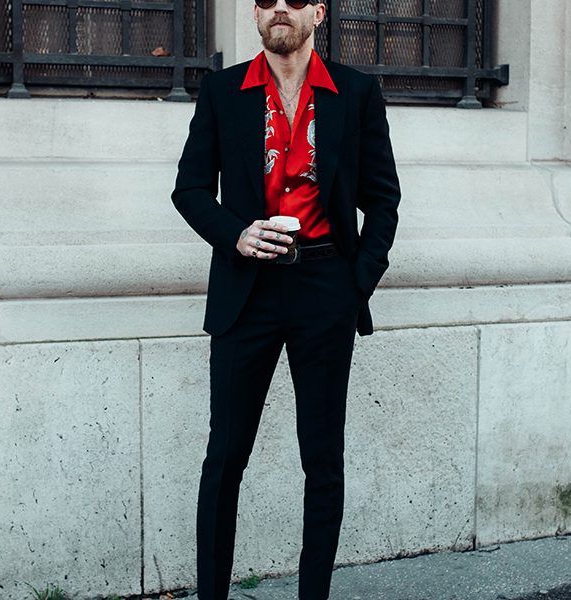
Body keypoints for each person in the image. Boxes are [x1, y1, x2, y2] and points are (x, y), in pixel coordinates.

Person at [170, 0, 400, 597]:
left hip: (326, 288)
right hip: (246, 290)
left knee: (322, 460)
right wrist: (235, 234)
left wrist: (355, 285)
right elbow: (189, 189)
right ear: (254, 13)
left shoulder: (356, 93)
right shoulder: (223, 92)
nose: (280, 8)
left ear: (317, 12)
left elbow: (383, 200)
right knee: (225, 456)